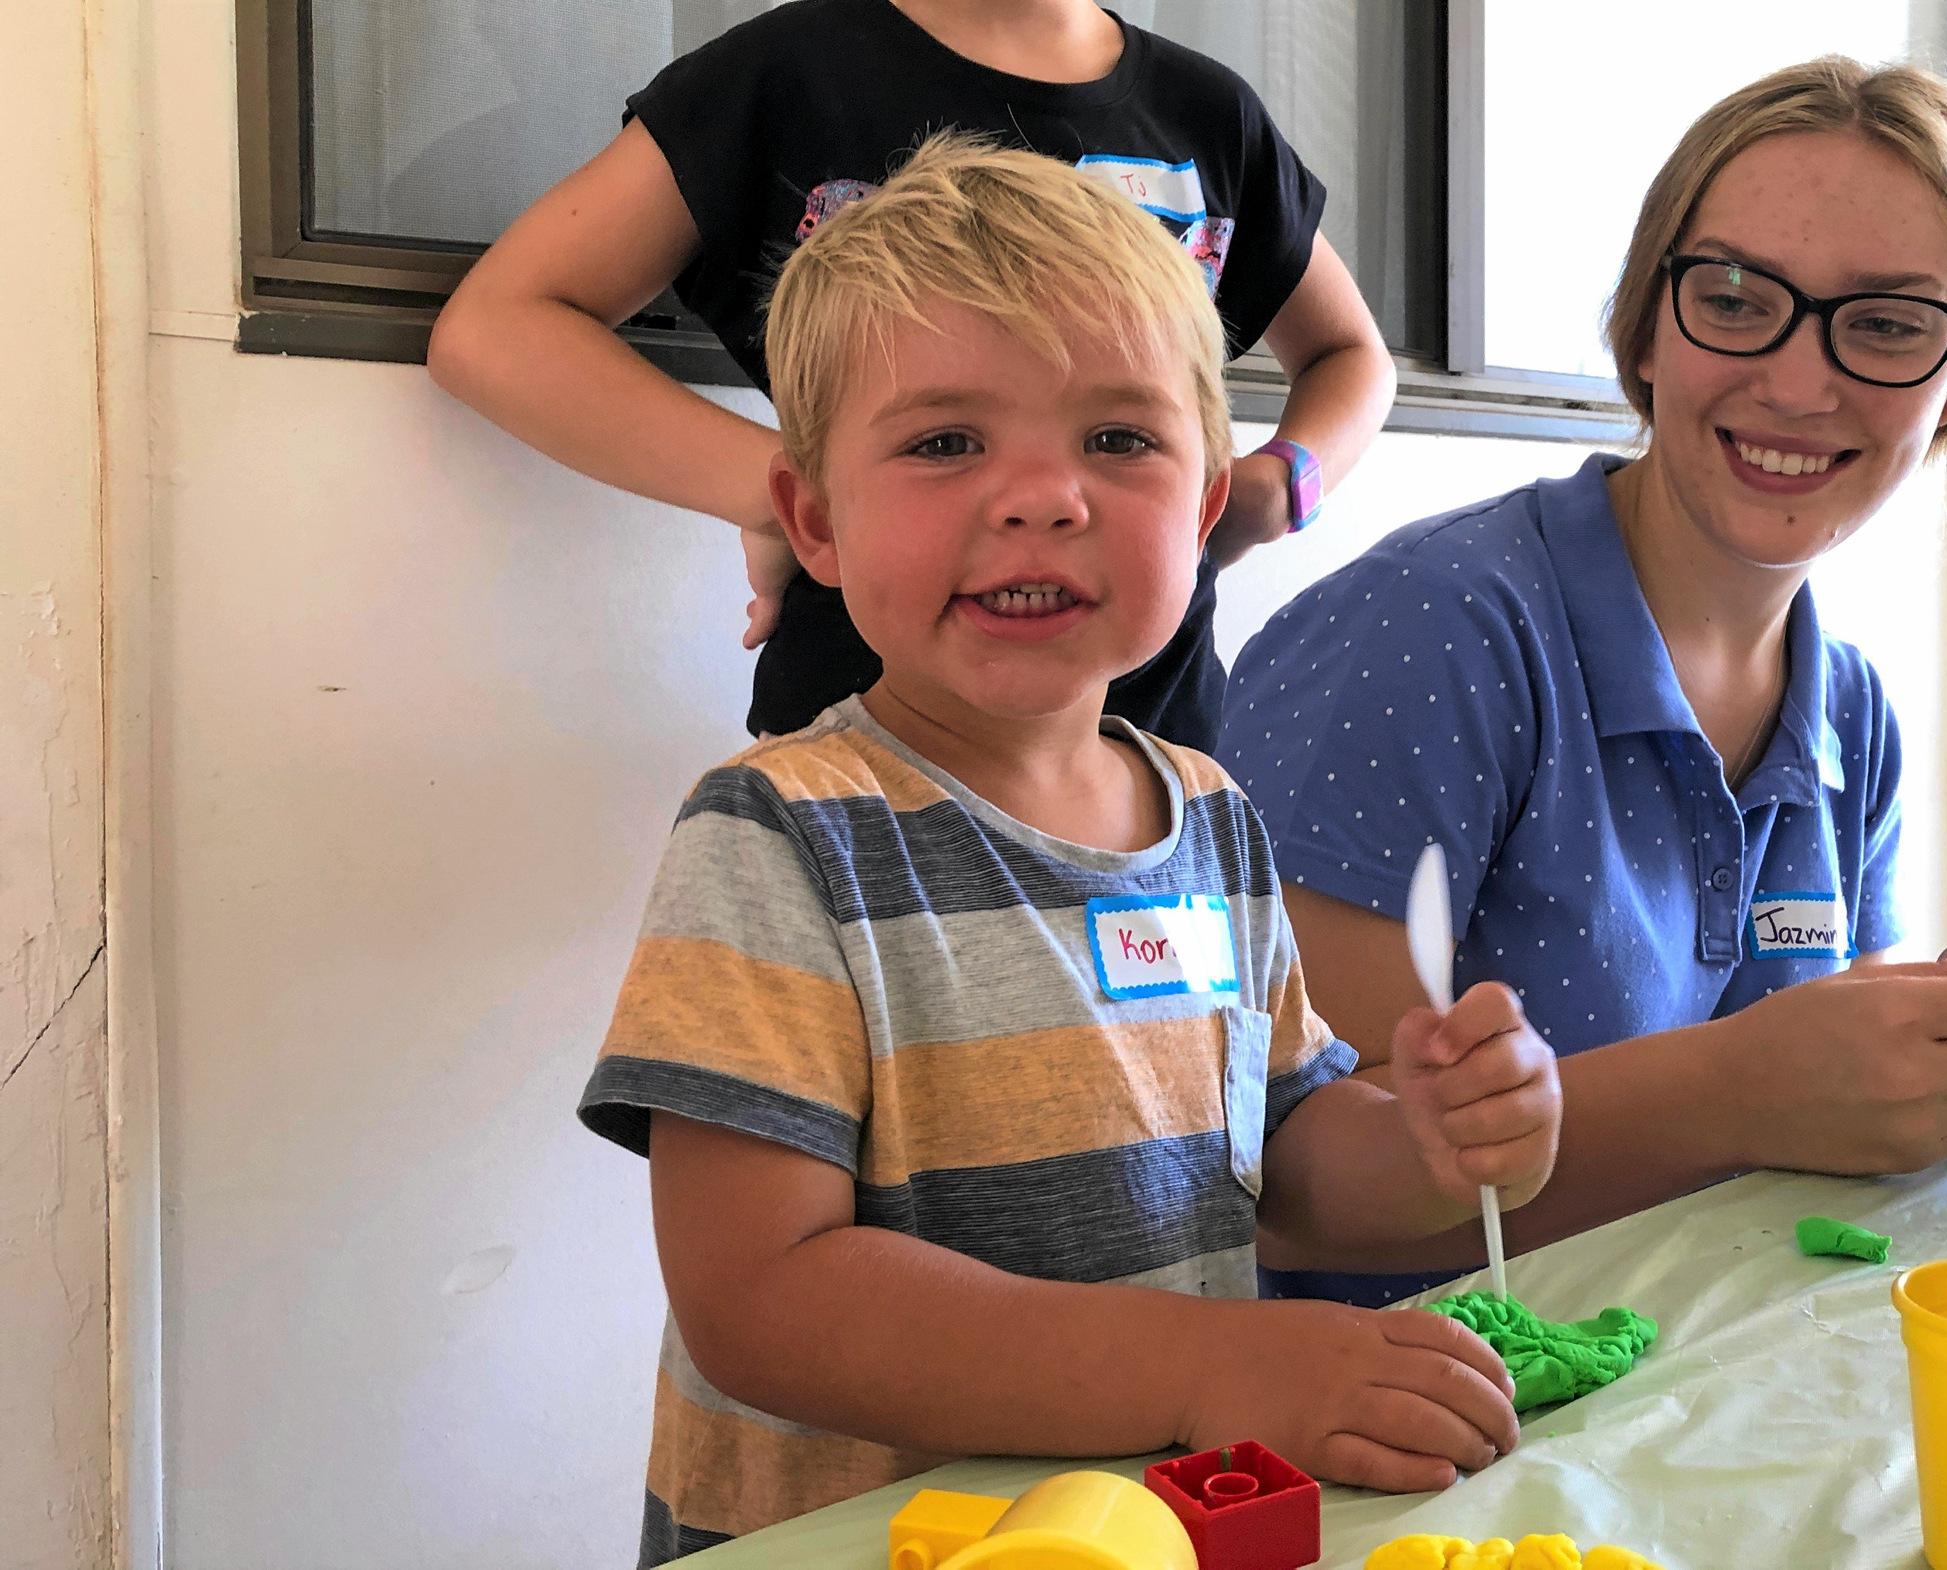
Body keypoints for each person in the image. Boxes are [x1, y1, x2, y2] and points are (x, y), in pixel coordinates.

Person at [573, 137, 1559, 1565]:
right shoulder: (779, 831)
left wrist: (1433, 1140)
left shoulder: (1213, 815)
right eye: (943, 442)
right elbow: (760, 1297)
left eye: (1118, 439)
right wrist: (1204, 1367)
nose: (1043, 496)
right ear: (814, 519)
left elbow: (1282, 1157)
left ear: (1206, 502)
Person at [1216, 57, 1947, 1306]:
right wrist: (1741, 1088)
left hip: (1703, 1367)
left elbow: (1814, 1060)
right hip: (1401, 1438)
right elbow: (1285, 1187)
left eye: (1886, 325)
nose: (1802, 383)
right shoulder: (1428, 636)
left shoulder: (1848, 711)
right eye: (1739, 296)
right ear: (1646, 324)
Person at [429, 0, 1395, 745]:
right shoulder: (783, 76)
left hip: (1157, 732)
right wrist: (791, 493)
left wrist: (1280, 487)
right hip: (859, 734)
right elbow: (498, 328)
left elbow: (1353, 356)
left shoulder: (1209, 112)